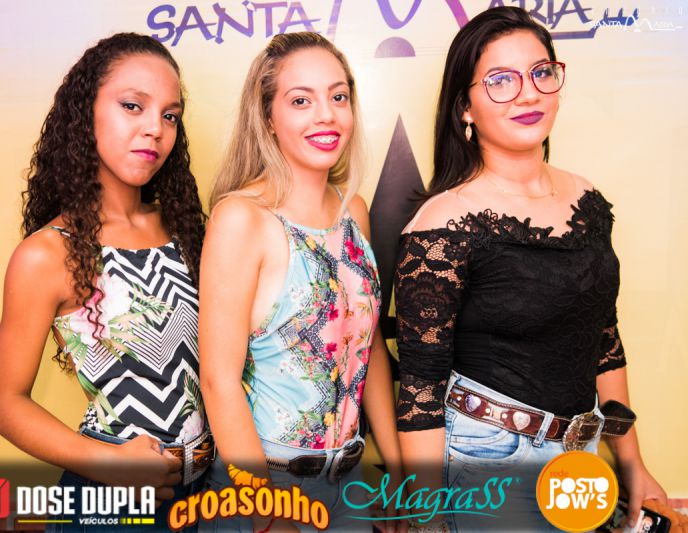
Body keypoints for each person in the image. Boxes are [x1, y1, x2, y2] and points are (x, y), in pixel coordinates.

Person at [394, 7, 667, 532]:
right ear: (464, 107)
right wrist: (427, 517)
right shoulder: (441, 225)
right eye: (501, 80)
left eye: (541, 73)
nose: (527, 94)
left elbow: (603, 339)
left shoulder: (587, 199)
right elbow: (421, 389)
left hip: (580, 456)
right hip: (489, 459)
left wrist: (631, 461)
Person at [0, 33, 209, 531]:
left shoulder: (189, 230)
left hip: (209, 495)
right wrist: (109, 464)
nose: (154, 129)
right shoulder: (47, 254)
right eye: (133, 106)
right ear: (85, 113)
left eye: (170, 116)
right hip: (110, 501)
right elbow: (3, 402)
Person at [198, 32, 404, 532]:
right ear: (267, 116)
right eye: (300, 100)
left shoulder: (353, 210)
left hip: (349, 484)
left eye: (338, 97)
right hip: (266, 485)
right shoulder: (241, 218)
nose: (326, 115)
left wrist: (398, 469)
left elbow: (367, 345)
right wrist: (268, 516)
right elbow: (219, 380)